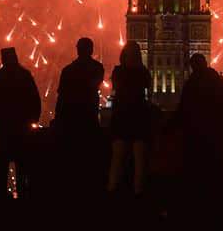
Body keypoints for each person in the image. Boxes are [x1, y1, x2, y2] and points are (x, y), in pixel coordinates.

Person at [0, 47, 41, 199]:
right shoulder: (25, 76)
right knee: (21, 163)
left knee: (2, 163)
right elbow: (35, 101)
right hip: (22, 127)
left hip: (3, 127)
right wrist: (32, 121)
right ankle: (22, 192)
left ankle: (2, 193)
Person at [53, 37, 105, 197]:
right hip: (89, 118)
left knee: (73, 159)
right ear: (91, 50)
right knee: (89, 158)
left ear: (77, 49)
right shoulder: (98, 68)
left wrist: (58, 118)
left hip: (72, 120)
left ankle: (72, 191)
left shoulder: (68, 70)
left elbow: (61, 96)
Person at [174, 53, 223, 198]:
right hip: (213, 130)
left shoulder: (192, 84)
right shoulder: (216, 81)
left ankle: (196, 196)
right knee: (210, 165)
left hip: (196, 131)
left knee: (196, 165)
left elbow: (183, 108)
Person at [107, 41, 151, 196]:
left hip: (121, 118)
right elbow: (148, 88)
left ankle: (113, 190)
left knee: (117, 157)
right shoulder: (142, 71)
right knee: (140, 159)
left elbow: (116, 90)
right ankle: (138, 191)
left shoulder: (118, 72)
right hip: (138, 117)